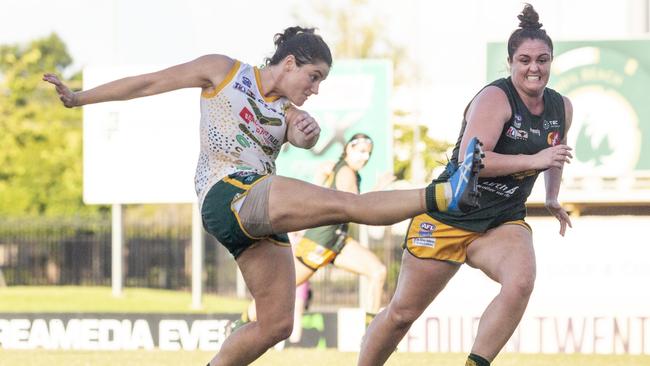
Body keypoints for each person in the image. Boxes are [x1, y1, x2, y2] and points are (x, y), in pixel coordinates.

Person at [44, 26, 483, 366]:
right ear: (289, 62)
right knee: (347, 205)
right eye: (313, 77)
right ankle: (444, 194)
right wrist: (79, 97)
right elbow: (149, 83)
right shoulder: (224, 71)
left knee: (275, 324)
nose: (315, 89)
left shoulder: (289, 112)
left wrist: (306, 134)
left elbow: (302, 134)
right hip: (227, 193)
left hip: (252, 211)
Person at [358, 5, 573, 366]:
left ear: (551, 61)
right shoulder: (495, 98)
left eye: (542, 59)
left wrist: (552, 196)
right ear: (510, 63)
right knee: (402, 315)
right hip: (450, 216)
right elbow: (470, 161)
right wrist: (533, 161)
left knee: (520, 281)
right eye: (524, 60)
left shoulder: (562, 106)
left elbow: (556, 151)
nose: (534, 68)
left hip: (500, 221)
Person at [238, 133, 394, 331]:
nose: (365, 157)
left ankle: (372, 332)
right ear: (348, 150)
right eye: (361, 152)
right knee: (279, 290)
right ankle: (240, 324)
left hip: (337, 241)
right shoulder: (345, 171)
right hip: (319, 243)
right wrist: (380, 187)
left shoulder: (348, 172)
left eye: (368, 154)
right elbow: (359, 208)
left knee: (377, 271)